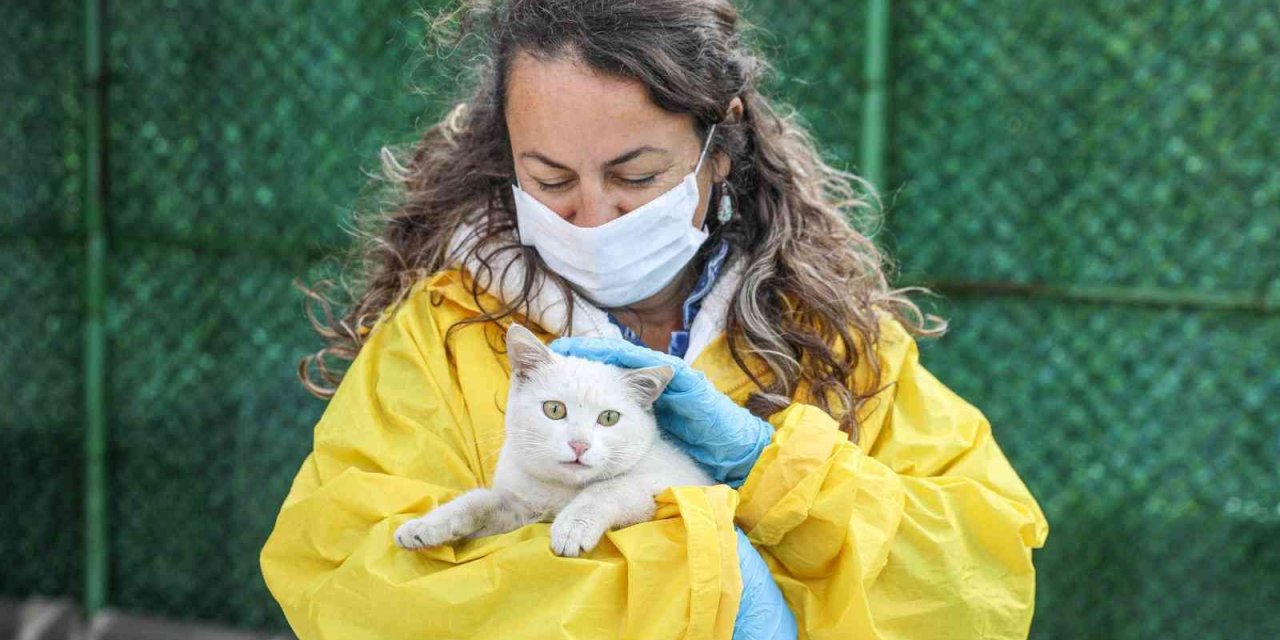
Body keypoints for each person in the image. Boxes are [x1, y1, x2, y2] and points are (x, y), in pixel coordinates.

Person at [259, 1, 1050, 638]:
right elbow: (352, 588)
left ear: (720, 149)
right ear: (504, 157)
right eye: (550, 176)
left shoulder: (834, 337)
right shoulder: (440, 340)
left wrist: (772, 475)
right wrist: (703, 574)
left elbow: (978, 579)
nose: (595, 214)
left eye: (635, 175)